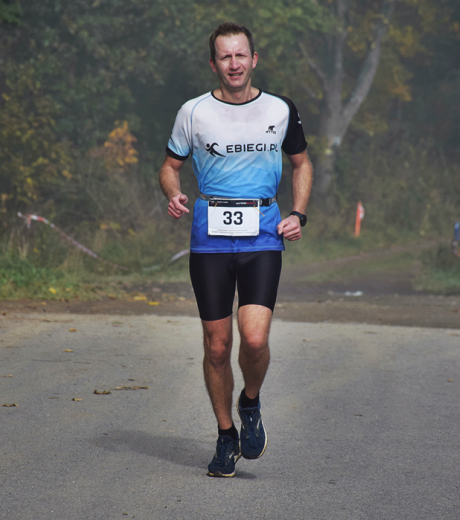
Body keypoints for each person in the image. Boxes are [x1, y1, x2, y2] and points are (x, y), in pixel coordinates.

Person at [158, 21, 313, 478]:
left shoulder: (280, 109)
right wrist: (173, 192)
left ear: (254, 60)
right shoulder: (193, 112)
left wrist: (298, 213)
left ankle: (250, 402)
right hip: (209, 238)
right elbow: (170, 165)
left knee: (256, 338)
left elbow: (302, 163)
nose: (234, 64)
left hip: (263, 234)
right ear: (214, 64)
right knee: (217, 345)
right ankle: (226, 436)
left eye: (240, 55)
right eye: (225, 57)